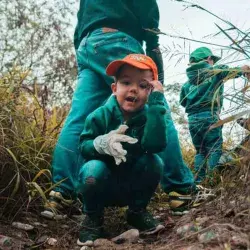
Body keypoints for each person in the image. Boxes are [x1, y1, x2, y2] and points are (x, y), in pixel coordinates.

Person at [41, 1, 212, 220]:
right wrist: (152, 43)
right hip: (118, 38)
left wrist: (82, 45)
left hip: (87, 44)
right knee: (155, 106)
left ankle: (61, 194)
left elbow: (83, 15)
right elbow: (147, 8)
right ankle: (181, 189)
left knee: (78, 119)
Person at [77, 54, 167, 246]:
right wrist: (100, 144)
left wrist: (157, 104)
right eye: (126, 82)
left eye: (143, 86)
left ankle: (137, 212)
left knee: (155, 162)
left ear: (151, 92)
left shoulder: (149, 117)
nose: (134, 89)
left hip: (131, 184)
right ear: (114, 88)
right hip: (101, 183)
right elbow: (83, 147)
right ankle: (93, 218)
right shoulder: (99, 115)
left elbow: (155, 145)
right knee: (92, 169)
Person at [180, 47, 250, 183]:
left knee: (200, 151)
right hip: (210, 116)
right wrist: (245, 68)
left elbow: (183, 102)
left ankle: (198, 182)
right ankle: (212, 180)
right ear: (209, 59)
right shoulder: (216, 71)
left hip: (193, 120)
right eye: (213, 60)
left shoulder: (186, 85)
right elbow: (235, 71)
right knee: (214, 149)